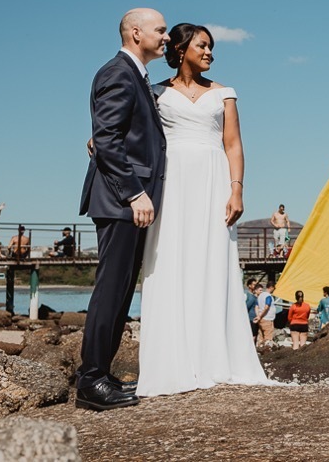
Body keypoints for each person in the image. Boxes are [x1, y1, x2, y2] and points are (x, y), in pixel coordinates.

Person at [136, 22, 275, 397]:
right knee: (169, 261)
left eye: (212, 46)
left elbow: (233, 145)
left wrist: (237, 190)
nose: (211, 52)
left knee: (214, 263)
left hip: (215, 183)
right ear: (181, 49)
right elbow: (133, 129)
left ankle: (216, 357)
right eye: (203, 45)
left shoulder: (225, 94)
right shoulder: (154, 93)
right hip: (173, 183)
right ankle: (172, 361)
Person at [76, 8, 170, 411]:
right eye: (160, 31)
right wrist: (134, 194)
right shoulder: (118, 72)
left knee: (119, 292)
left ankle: (103, 374)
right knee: (110, 291)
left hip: (126, 200)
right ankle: (90, 380)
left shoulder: (138, 76)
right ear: (136, 33)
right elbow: (108, 139)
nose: (165, 38)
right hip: (120, 201)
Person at [253, 283, 276, 347]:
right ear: (271, 287)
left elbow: (256, 307)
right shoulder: (268, 296)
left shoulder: (260, 296)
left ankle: (260, 349)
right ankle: (267, 351)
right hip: (267, 318)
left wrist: (258, 316)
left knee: (261, 337)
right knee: (268, 337)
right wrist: (260, 316)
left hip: (261, 319)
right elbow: (266, 307)